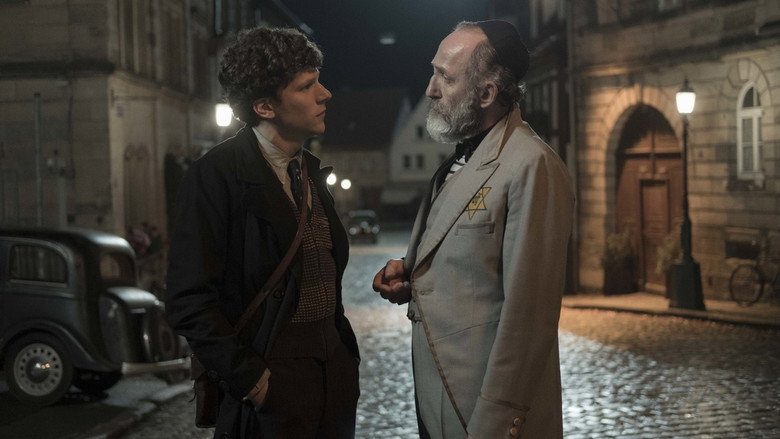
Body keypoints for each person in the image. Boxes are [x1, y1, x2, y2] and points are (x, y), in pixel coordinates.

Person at [373, 20, 574, 439]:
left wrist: (496, 424)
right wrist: (413, 271)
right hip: (441, 398)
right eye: (434, 72)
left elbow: (528, 317)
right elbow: (475, 263)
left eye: (445, 77)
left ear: (486, 94)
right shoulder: (463, 156)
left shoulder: (530, 164)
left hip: (482, 412)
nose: (430, 89)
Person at [165, 26, 360, 438]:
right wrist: (254, 383)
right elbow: (189, 299)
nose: (324, 94)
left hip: (333, 377)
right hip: (272, 379)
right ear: (265, 107)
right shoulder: (216, 176)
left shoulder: (307, 169)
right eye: (306, 86)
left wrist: (343, 360)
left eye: (318, 81)